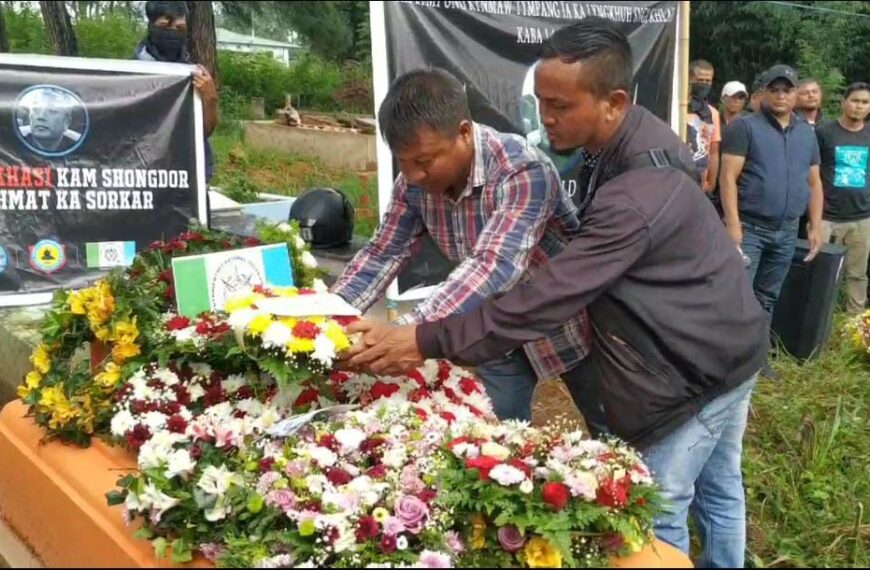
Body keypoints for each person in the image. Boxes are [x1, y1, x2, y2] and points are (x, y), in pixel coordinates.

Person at [343, 19, 769, 568]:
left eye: (560, 106)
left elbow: (523, 280)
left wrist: (421, 336)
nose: (544, 117)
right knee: (716, 488)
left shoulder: (591, 184)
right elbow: (382, 252)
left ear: (613, 101)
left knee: (651, 513)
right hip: (712, 341)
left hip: (687, 370)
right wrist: (328, 316)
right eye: (541, 101)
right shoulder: (627, 141)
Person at [330, 68, 592, 424]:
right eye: (402, 163)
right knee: (497, 435)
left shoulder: (522, 170)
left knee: (617, 431)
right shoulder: (413, 184)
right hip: (492, 330)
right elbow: (383, 252)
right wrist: (328, 318)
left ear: (464, 132)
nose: (412, 176)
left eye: (423, 161)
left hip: (568, 321)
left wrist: (412, 333)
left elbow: (494, 265)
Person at [719, 65, 824, 323]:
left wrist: (815, 225)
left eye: (787, 90)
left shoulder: (806, 134)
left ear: (795, 94)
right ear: (763, 93)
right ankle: (729, 360)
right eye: (774, 90)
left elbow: (814, 182)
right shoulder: (744, 127)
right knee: (737, 298)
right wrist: (732, 225)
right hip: (749, 229)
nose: (781, 96)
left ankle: (758, 358)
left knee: (767, 297)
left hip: (787, 231)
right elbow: (727, 177)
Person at [134, 0, 218, 181]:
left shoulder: (194, 75)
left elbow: (204, 131)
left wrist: (210, 99)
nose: (172, 32)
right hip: (147, 176)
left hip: (188, 176)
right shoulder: (131, 74)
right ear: (151, 24)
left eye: (179, 27)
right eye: (165, 25)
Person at [816, 82, 870, 314]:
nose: (859, 106)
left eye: (865, 102)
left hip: (862, 216)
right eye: (855, 100)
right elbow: (812, 173)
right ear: (843, 103)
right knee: (821, 273)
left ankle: (854, 326)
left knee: (857, 275)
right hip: (827, 216)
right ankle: (817, 322)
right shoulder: (824, 132)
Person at [687, 59, 721, 193]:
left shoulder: (712, 113)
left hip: (700, 180)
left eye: (708, 81)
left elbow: (713, 151)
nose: (704, 84)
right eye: (700, 80)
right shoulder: (675, 108)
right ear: (689, 79)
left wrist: (711, 182)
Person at [19, 88, 81, 153]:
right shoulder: (15, 145)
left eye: (52, 111)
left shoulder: (80, 152)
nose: (41, 116)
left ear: (66, 123)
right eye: (36, 110)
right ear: (30, 116)